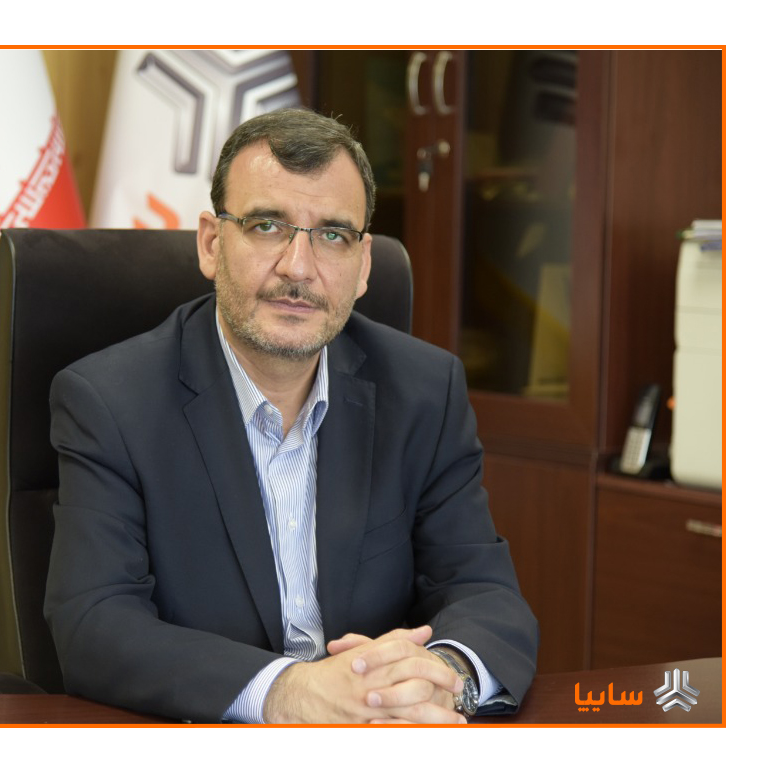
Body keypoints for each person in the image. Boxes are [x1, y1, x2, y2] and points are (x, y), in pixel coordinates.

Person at [44, 107, 538, 724]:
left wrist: (442, 680)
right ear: (211, 243)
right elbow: (94, 624)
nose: (298, 267)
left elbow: (484, 592)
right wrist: (288, 692)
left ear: (363, 266)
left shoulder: (423, 391)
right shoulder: (111, 401)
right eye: (266, 226)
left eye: (333, 235)